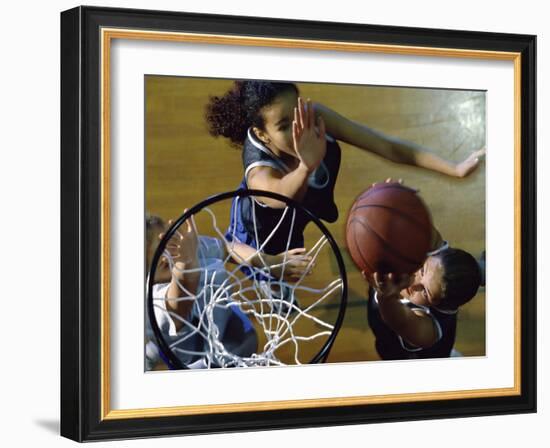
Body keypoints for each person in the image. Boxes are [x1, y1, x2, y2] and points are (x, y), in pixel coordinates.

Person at [205, 81, 485, 256]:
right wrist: (306, 165)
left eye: (298, 111)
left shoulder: (314, 117)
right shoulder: (259, 175)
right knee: (275, 271)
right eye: (283, 125)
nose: (299, 128)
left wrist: (455, 168)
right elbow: (282, 193)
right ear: (262, 135)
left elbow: (386, 146)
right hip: (265, 232)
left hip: (307, 204)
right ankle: (273, 290)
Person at [144, 214, 313, 370]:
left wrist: (270, 262)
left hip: (221, 316)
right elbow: (180, 299)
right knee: (163, 339)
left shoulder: (182, 252)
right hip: (199, 364)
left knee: (246, 339)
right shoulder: (154, 303)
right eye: (162, 263)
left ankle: (151, 351)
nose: (170, 256)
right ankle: (151, 352)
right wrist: (185, 263)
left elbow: (226, 248)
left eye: (170, 244)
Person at [366, 245, 482, 360]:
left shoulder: (427, 331)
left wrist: (386, 295)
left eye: (426, 293)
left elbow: (401, 321)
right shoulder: (433, 261)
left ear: (440, 306)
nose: (414, 284)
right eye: (422, 270)